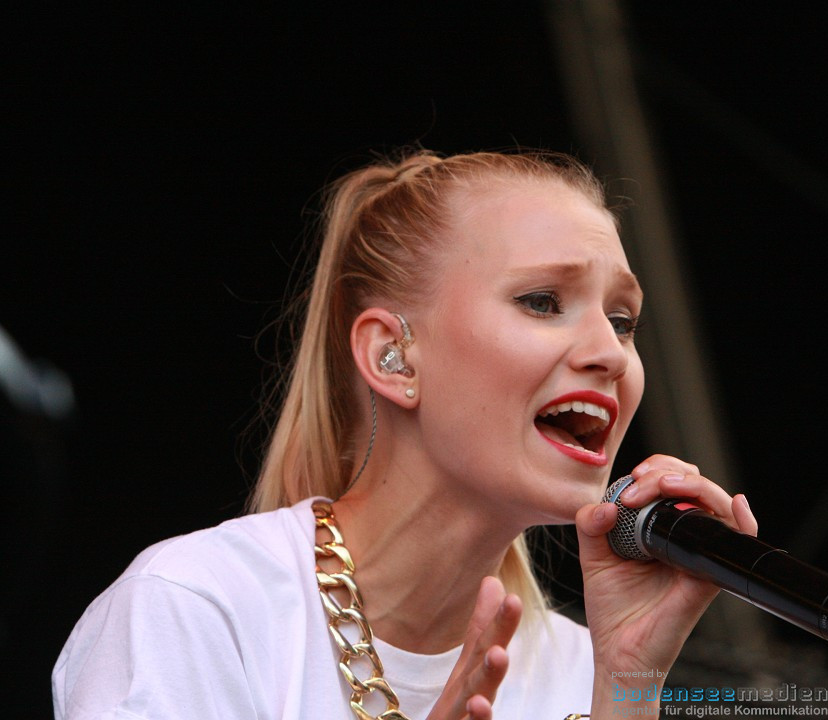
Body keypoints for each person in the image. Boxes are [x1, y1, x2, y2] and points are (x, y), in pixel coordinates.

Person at [52, 149, 758, 720]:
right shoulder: (197, 608)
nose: (610, 353)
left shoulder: (587, 670)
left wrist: (629, 688)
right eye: (543, 301)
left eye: (624, 321)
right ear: (394, 356)